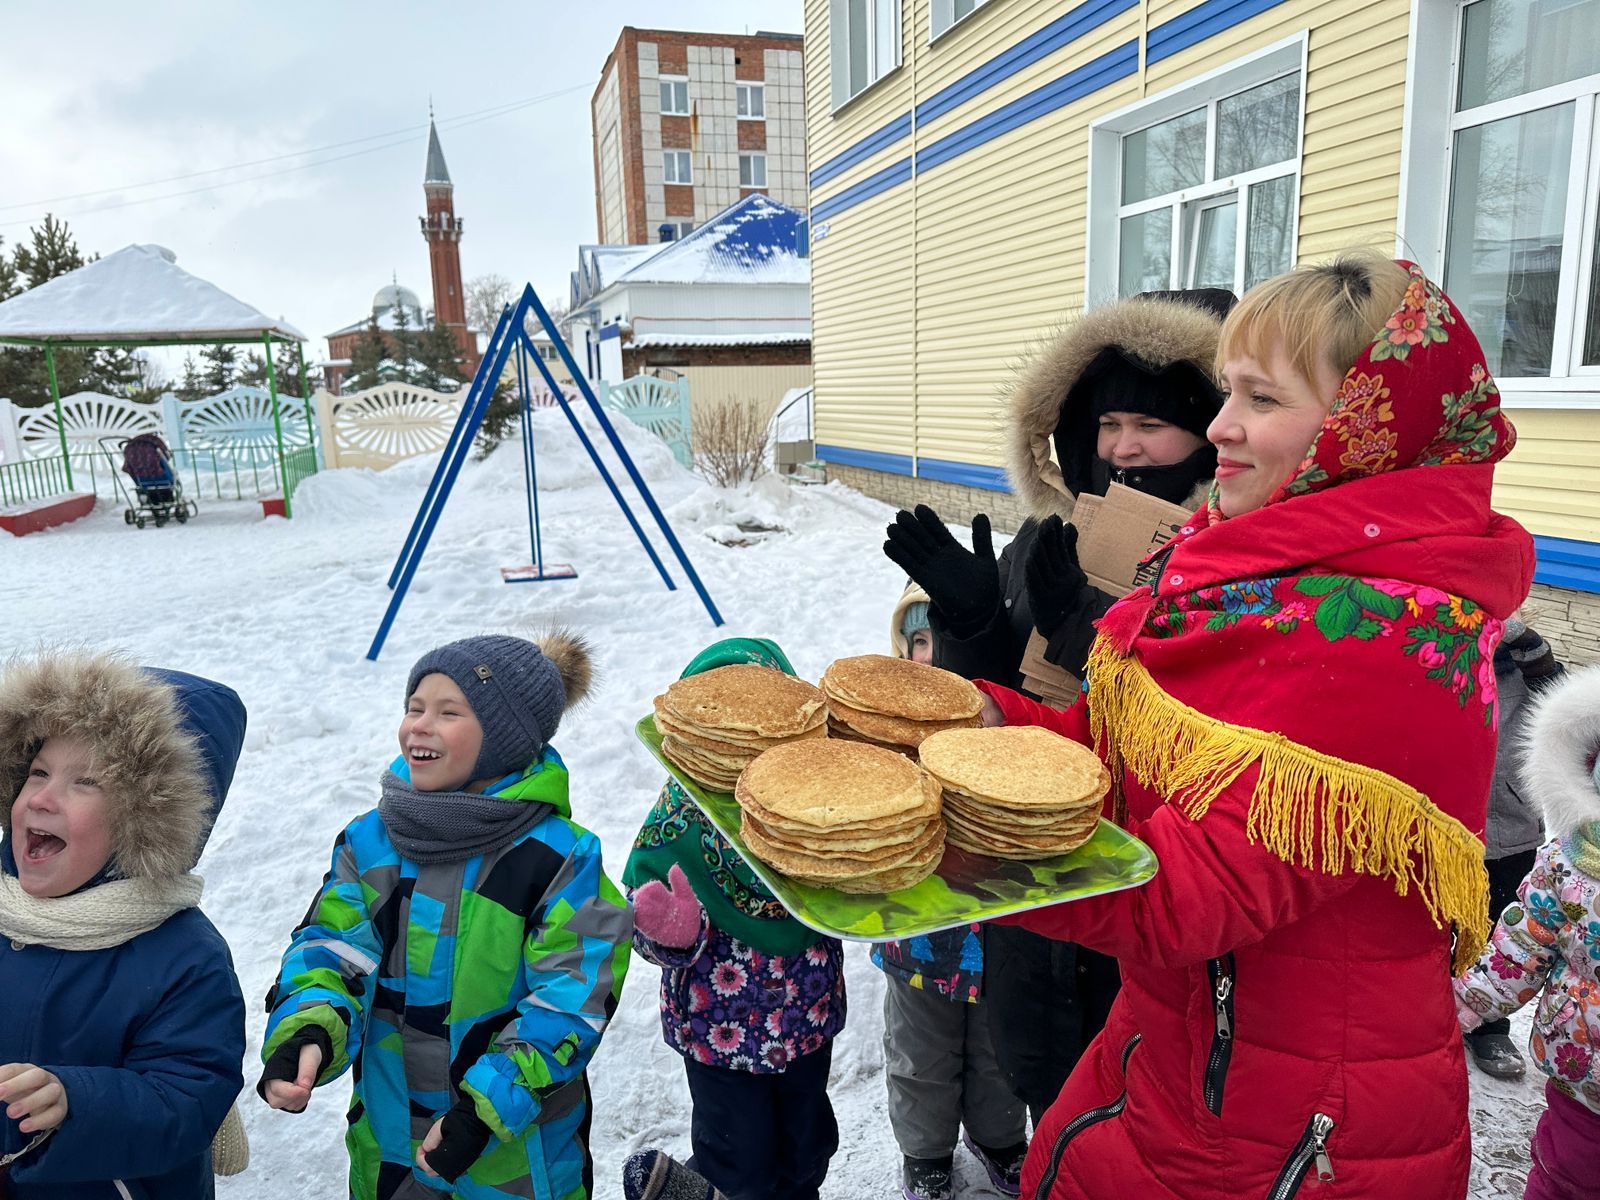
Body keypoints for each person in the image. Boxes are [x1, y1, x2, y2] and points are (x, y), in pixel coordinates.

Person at [974, 253, 1534, 1198]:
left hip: (1292, 1135)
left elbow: (1177, 894)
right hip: (1186, 1060)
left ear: (1364, 432)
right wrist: (987, 724)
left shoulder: (1387, 637)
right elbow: (1119, 760)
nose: (1219, 427)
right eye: (1227, 390)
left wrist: (950, 848)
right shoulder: (1243, 578)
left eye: (1260, 400)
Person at [883, 287, 1234, 1123]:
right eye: (1108, 425)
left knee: (1151, 1113)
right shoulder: (1046, 543)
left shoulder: (1233, 568)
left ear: (1210, 432)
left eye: (1152, 425)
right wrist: (970, 621)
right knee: (1051, 1094)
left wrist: (1096, 647)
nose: (1126, 446)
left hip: (1148, 900)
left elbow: (1214, 740)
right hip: (1031, 898)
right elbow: (997, 717)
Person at [259, 633, 630, 1200]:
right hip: (391, 1142)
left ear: (503, 741)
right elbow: (332, 946)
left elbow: (572, 998)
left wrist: (484, 1111)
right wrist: (311, 1026)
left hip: (514, 1158)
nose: (419, 726)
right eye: (414, 708)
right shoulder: (372, 840)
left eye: (448, 712)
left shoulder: (561, 859)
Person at [0, 651, 248, 1197]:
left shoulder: (185, 957)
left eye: (85, 782)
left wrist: (75, 1099)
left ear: (146, 821)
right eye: (37, 772)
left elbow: (188, 1097)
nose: (41, 797)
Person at [623, 639, 845, 1200]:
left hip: (807, 1020)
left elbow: (851, 891)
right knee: (738, 1163)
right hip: (719, 1033)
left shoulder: (814, 806)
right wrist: (673, 933)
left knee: (807, 1153)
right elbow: (644, 909)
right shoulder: (680, 812)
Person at [875, 589, 1027, 1199]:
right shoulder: (886, 733)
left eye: (941, 640)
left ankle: (998, 1137)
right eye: (917, 641)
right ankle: (926, 1152)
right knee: (921, 1053)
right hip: (917, 936)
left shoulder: (995, 725)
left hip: (994, 929)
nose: (930, 656)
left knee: (995, 1046)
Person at [1454, 665, 1600, 1200]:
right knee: (1566, 1175)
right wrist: (1464, 1004)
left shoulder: (1523, 654)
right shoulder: (1573, 867)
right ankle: (1480, 1024)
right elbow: (1521, 948)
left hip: (1507, 825)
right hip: (1583, 1077)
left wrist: (1535, 660)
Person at [1467, 615, 1566, 1080]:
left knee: (1499, 933)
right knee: (1430, 928)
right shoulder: (1441, 656)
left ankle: (1488, 1025)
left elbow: (1570, 713)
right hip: (1444, 825)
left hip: (1510, 826)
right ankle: (1425, 1013)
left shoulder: (1526, 670)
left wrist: (1531, 647)